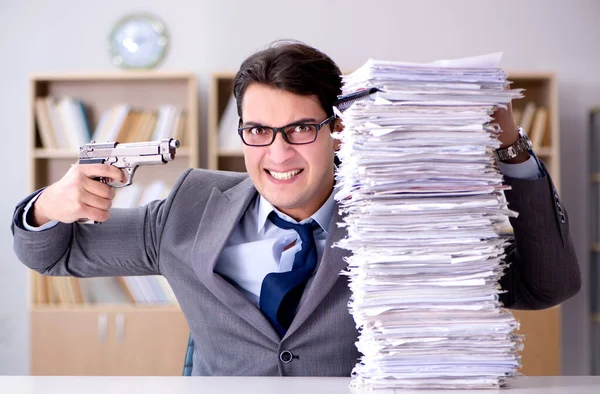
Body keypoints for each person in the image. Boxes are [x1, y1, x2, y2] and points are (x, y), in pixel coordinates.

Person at [12, 40, 580, 376]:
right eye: (258, 130)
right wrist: (48, 204)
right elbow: (56, 256)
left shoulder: (403, 214)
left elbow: (545, 286)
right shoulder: (188, 209)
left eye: (300, 129)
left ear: (338, 128)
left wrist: (512, 151)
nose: (278, 154)